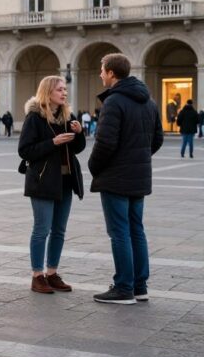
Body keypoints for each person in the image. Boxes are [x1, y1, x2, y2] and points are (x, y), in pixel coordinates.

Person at [88, 53, 163, 304]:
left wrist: (93, 166)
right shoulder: (149, 102)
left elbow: (105, 143)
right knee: (136, 230)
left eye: (102, 70)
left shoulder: (114, 102)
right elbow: (157, 140)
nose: (100, 74)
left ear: (111, 73)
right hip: (138, 177)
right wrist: (137, 159)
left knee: (119, 232)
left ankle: (123, 288)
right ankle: (139, 286)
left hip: (116, 177)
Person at [19, 76, 86, 294]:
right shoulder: (35, 117)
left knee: (59, 230)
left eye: (65, 89)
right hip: (43, 179)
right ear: (48, 92)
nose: (64, 93)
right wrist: (53, 143)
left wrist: (79, 134)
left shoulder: (68, 116)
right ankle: (37, 276)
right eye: (59, 90)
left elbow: (77, 149)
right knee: (42, 229)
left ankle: (52, 273)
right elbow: (25, 150)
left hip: (65, 180)